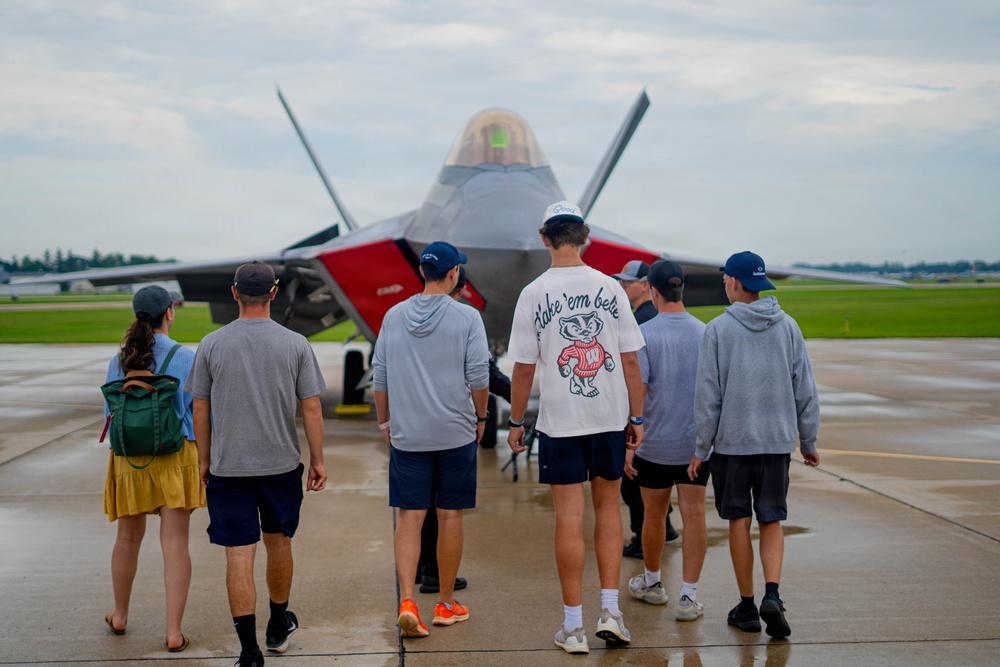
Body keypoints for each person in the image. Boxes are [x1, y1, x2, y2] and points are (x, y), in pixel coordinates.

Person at [507, 201, 645, 655]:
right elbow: (629, 360)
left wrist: (514, 421)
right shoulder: (611, 288)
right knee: (608, 509)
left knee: (569, 516)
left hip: (561, 423)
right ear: (584, 237)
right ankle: (611, 612)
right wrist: (637, 418)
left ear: (545, 238)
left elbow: (523, 369)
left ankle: (574, 627)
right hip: (608, 419)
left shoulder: (533, 293)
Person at [186, 261, 327, 667]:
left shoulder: (211, 344)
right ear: (274, 292)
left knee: (238, 556)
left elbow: (200, 407)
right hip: (280, 466)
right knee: (279, 543)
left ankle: (249, 653)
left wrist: (204, 459)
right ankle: (277, 625)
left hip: (229, 470)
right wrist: (317, 460)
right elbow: (312, 407)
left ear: (234, 294)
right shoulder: (296, 343)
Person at [687, 251, 820, 639]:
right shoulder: (789, 327)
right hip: (777, 443)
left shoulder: (718, 330)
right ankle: (773, 595)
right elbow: (805, 389)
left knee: (739, 521)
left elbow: (707, 396)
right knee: (772, 518)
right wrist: (807, 439)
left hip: (732, 444)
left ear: (733, 282)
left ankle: (747, 606)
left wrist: (701, 448)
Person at [372, 242, 490, 638]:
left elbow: (381, 377)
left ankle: (408, 600)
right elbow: (479, 377)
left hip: (408, 435)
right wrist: (482, 417)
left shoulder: (393, 315)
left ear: (423, 272)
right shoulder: (467, 317)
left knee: (409, 516)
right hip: (455, 432)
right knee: (450, 515)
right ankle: (444, 602)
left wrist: (384, 423)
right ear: (454, 273)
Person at [102, 285, 204, 653]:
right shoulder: (185, 357)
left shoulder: (119, 361)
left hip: (129, 460)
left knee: (127, 539)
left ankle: (120, 615)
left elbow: (110, 418)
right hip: (175, 458)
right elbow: (198, 416)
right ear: (170, 313)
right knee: (175, 543)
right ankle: (174, 632)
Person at [622, 261, 709, 622]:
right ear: (682, 289)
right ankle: (688, 597)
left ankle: (654, 584)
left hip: (654, 443)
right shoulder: (706, 333)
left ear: (653, 291)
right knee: (695, 516)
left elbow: (638, 392)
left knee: (653, 516)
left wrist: (630, 446)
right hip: (695, 445)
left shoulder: (645, 333)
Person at [416, 268, 511, 595]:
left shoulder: (403, 317)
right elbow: (486, 373)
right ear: (458, 284)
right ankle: (434, 573)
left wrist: (387, 421)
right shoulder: (466, 321)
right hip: (450, 427)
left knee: (417, 505)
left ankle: (418, 567)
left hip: (412, 426)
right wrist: (514, 401)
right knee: (445, 508)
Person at [612, 259, 679, 559]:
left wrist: (633, 417)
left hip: (648, 416)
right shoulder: (642, 315)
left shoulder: (644, 321)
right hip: (660, 415)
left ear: (645, 286)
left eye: (628, 282)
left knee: (633, 483)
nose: (623, 286)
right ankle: (666, 527)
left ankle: (643, 539)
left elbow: (639, 377)